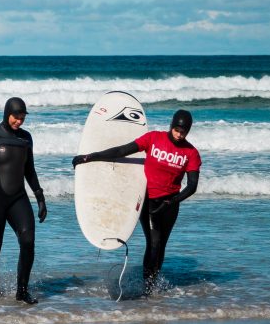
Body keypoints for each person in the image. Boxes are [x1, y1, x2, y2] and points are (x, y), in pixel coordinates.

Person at [73, 109, 201, 290]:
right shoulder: (153, 139)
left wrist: (172, 202)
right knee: (154, 242)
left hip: (170, 204)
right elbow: (122, 150)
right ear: (171, 126)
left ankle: (153, 282)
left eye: (183, 132)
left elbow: (192, 186)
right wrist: (90, 157)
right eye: (177, 130)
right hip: (150, 201)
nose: (179, 135)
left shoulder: (191, 153)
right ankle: (148, 286)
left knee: (161, 244)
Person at [0, 97, 46, 304]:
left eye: (22, 118)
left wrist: (40, 197)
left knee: (28, 242)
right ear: (7, 114)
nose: (19, 121)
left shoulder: (26, 138)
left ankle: (22, 292)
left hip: (17, 199)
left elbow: (29, 170)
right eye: (16, 117)